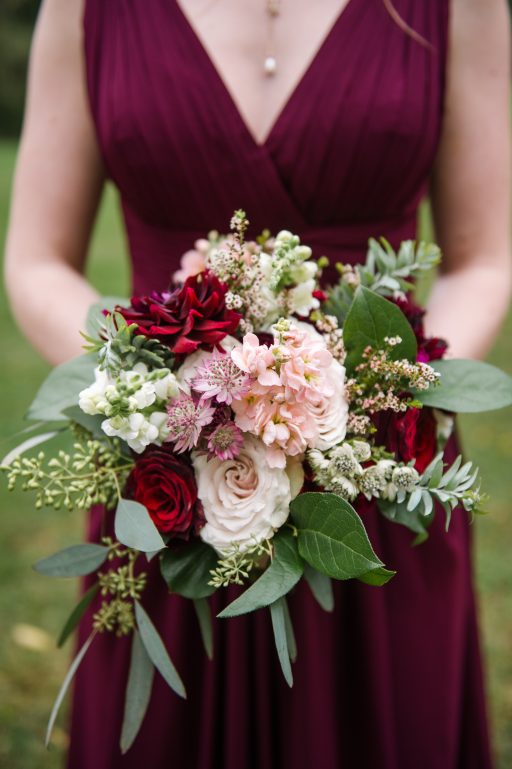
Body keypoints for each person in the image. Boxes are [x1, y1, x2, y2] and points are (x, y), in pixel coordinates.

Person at [4, 1, 511, 767]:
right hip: (168, 481)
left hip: (374, 483)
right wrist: (155, 383)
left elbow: (484, 257)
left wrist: (373, 397)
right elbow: (36, 257)